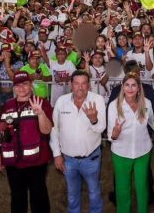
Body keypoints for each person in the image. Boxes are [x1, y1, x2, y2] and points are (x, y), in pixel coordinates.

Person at [0, 71, 53, 213]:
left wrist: (40, 114)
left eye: (25, 84)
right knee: (17, 197)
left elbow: (47, 130)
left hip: (36, 162)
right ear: (14, 87)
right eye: (18, 85)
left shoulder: (41, 102)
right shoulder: (7, 105)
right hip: (13, 163)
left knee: (38, 197)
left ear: (31, 85)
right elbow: (0, 131)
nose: (21, 88)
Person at [50, 70, 107, 213]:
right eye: (76, 83)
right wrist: (57, 154)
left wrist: (93, 119)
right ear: (70, 85)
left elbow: (101, 128)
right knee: (72, 194)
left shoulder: (97, 100)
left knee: (94, 192)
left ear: (89, 86)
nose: (80, 87)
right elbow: (54, 129)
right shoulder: (61, 101)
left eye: (83, 84)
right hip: (68, 159)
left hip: (91, 158)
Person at [108, 73, 154, 213]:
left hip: (143, 152)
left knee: (142, 188)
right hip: (121, 153)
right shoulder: (114, 106)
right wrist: (115, 133)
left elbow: (153, 122)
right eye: (127, 85)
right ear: (122, 87)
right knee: (122, 189)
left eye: (133, 85)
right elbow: (111, 136)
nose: (130, 88)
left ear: (139, 88)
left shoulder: (147, 103)